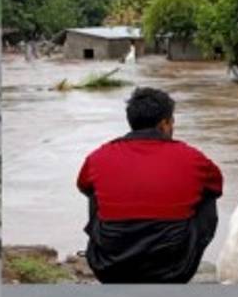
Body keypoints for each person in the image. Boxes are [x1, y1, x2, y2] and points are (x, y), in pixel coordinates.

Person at [76, 87, 224, 283]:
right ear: (164, 124)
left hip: (110, 267)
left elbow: (83, 186)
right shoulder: (192, 157)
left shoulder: (98, 156)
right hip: (174, 269)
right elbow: (217, 186)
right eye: (172, 122)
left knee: (95, 193)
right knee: (207, 195)